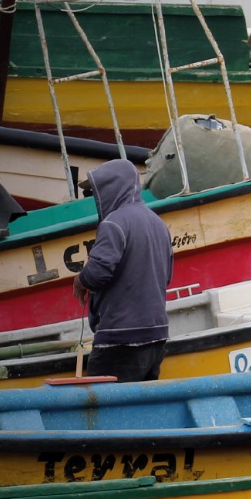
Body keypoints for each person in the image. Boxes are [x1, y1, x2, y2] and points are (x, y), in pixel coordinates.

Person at [72, 159, 174, 382]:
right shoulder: (159, 223)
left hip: (120, 339)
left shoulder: (113, 223)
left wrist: (80, 280)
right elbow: (166, 277)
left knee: (108, 412)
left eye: (95, 193)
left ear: (110, 190)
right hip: (157, 337)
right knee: (139, 411)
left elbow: (98, 273)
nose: (95, 199)